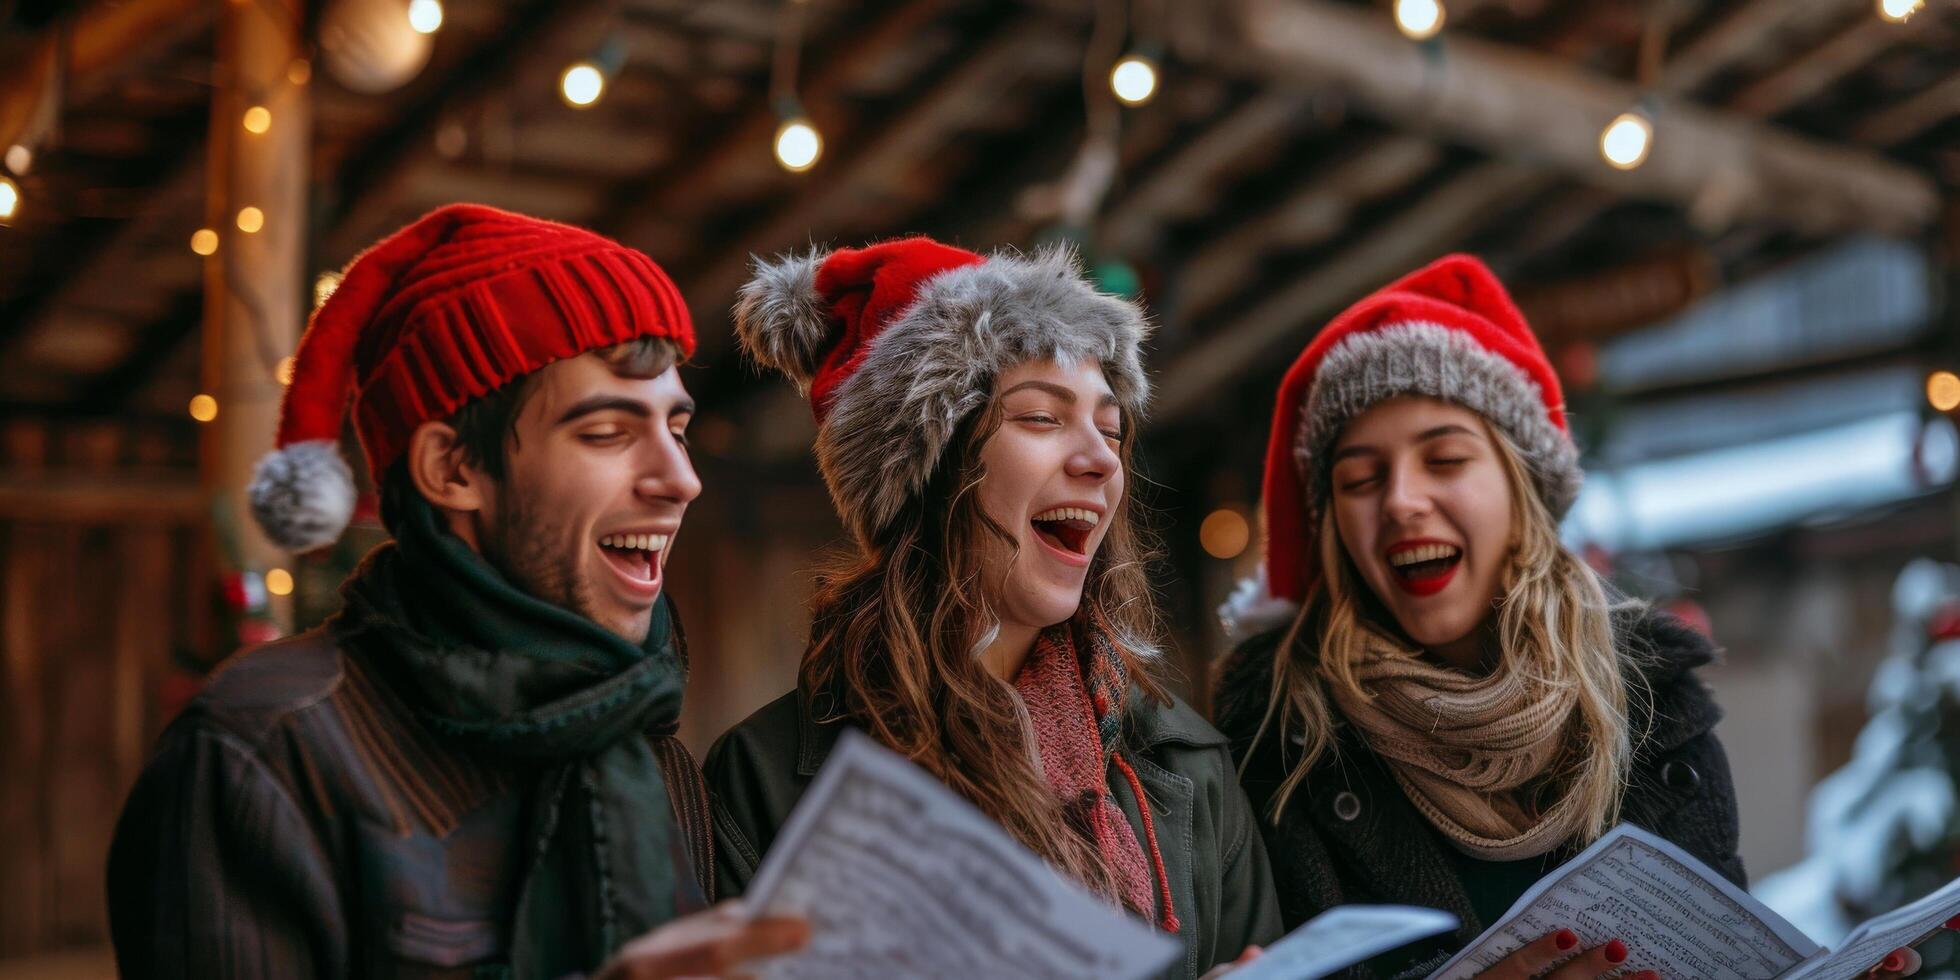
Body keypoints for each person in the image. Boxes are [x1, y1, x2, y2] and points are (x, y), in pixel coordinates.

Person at [106, 204, 807, 979]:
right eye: (608, 432)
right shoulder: (262, 756)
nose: (681, 479)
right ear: (452, 469)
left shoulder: (649, 752)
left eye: (675, 428)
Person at [705, 236, 1281, 977]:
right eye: (1041, 418)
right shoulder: (766, 778)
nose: (1102, 459)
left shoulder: (1184, 767)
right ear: (930, 470)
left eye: (1110, 429)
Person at [1211, 254, 1730, 980]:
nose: (1399, 501)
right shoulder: (1274, 739)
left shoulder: (1661, 705)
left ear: (1523, 495)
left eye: (1445, 460)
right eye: (1360, 479)